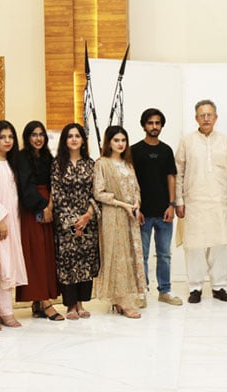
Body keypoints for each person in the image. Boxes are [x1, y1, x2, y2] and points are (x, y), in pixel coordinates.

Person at [175, 100, 227, 304]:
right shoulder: (187, 141)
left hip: (219, 202)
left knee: (220, 245)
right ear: (196, 118)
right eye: (202, 115)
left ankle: (219, 286)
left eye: (209, 115)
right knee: (194, 246)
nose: (206, 118)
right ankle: (195, 287)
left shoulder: (225, 141)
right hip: (193, 201)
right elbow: (178, 172)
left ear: (215, 117)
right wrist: (179, 200)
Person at [131, 108, 182, 307]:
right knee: (141, 255)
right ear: (144, 125)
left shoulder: (166, 150)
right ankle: (142, 292)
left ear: (161, 126)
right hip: (142, 213)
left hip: (164, 213)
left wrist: (172, 205)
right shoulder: (134, 151)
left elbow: (171, 177)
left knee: (164, 254)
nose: (154, 126)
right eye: (150, 123)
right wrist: (137, 208)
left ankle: (165, 290)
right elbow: (131, 181)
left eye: (157, 123)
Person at [93, 126, 145, 318]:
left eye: (123, 140)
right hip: (113, 215)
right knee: (117, 255)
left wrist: (136, 205)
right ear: (109, 143)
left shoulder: (128, 163)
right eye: (116, 140)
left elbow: (136, 188)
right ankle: (123, 302)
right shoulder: (102, 164)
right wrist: (124, 205)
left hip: (130, 215)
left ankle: (122, 299)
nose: (120, 144)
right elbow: (99, 193)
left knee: (130, 254)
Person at [51, 123, 100, 320]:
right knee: (68, 262)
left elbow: (95, 192)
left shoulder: (91, 164)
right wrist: (73, 224)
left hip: (88, 221)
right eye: (70, 136)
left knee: (85, 261)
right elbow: (57, 195)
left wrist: (87, 217)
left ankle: (81, 303)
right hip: (66, 223)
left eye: (77, 136)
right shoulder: (57, 164)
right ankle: (71, 305)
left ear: (82, 140)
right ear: (65, 140)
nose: (73, 139)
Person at [16, 121, 63, 321]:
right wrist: (42, 206)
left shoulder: (48, 157)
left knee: (47, 255)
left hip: (49, 207)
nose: (38, 138)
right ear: (27, 137)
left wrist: (51, 206)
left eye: (41, 134)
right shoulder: (22, 157)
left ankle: (38, 303)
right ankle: (44, 301)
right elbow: (25, 187)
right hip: (33, 209)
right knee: (36, 255)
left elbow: (54, 183)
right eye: (34, 135)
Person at [0, 121, 28, 327]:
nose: (7, 141)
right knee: (2, 265)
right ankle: (5, 311)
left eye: (10, 137)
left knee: (6, 263)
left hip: (13, 220)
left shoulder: (10, 161)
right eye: (3, 137)